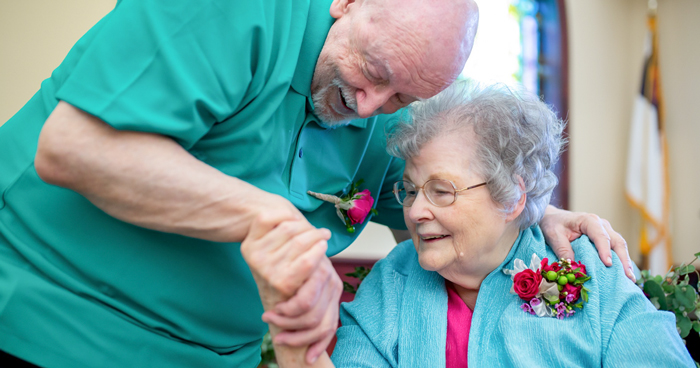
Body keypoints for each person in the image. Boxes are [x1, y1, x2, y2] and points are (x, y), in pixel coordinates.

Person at [0, 0, 632, 367]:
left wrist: (532, 211)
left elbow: (446, 200)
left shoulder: (387, 115)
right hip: (48, 326)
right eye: (373, 71)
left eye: (403, 95)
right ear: (347, 0)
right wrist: (267, 218)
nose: (369, 105)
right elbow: (73, 146)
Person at [284, 81, 689, 367]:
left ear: (512, 196)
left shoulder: (592, 272)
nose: (415, 212)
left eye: (441, 191)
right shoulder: (392, 281)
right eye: (409, 190)